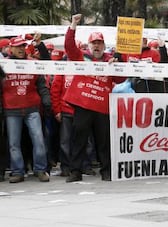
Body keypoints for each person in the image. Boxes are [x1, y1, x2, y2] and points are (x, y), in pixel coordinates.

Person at [63, 14, 126, 182]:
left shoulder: (111, 60)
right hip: (82, 106)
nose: (97, 46)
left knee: (104, 142)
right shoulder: (81, 56)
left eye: (99, 43)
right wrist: (73, 25)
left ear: (104, 46)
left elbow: (121, 79)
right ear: (89, 45)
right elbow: (69, 46)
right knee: (79, 140)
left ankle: (107, 172)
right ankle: (75, 172)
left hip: (102, 108)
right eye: (94, 43)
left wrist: (120, 62)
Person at [0, 37, 52, 183]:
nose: (21, 49)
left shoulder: (32, 64)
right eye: (18, 47)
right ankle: (17, 171)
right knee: (14, 143)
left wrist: (46, 99)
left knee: (38, 140)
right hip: (11, 109)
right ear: (10, 49)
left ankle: (40, 170)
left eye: (23, 46)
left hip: (32, 108)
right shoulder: (3, 65)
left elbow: (42, 84)